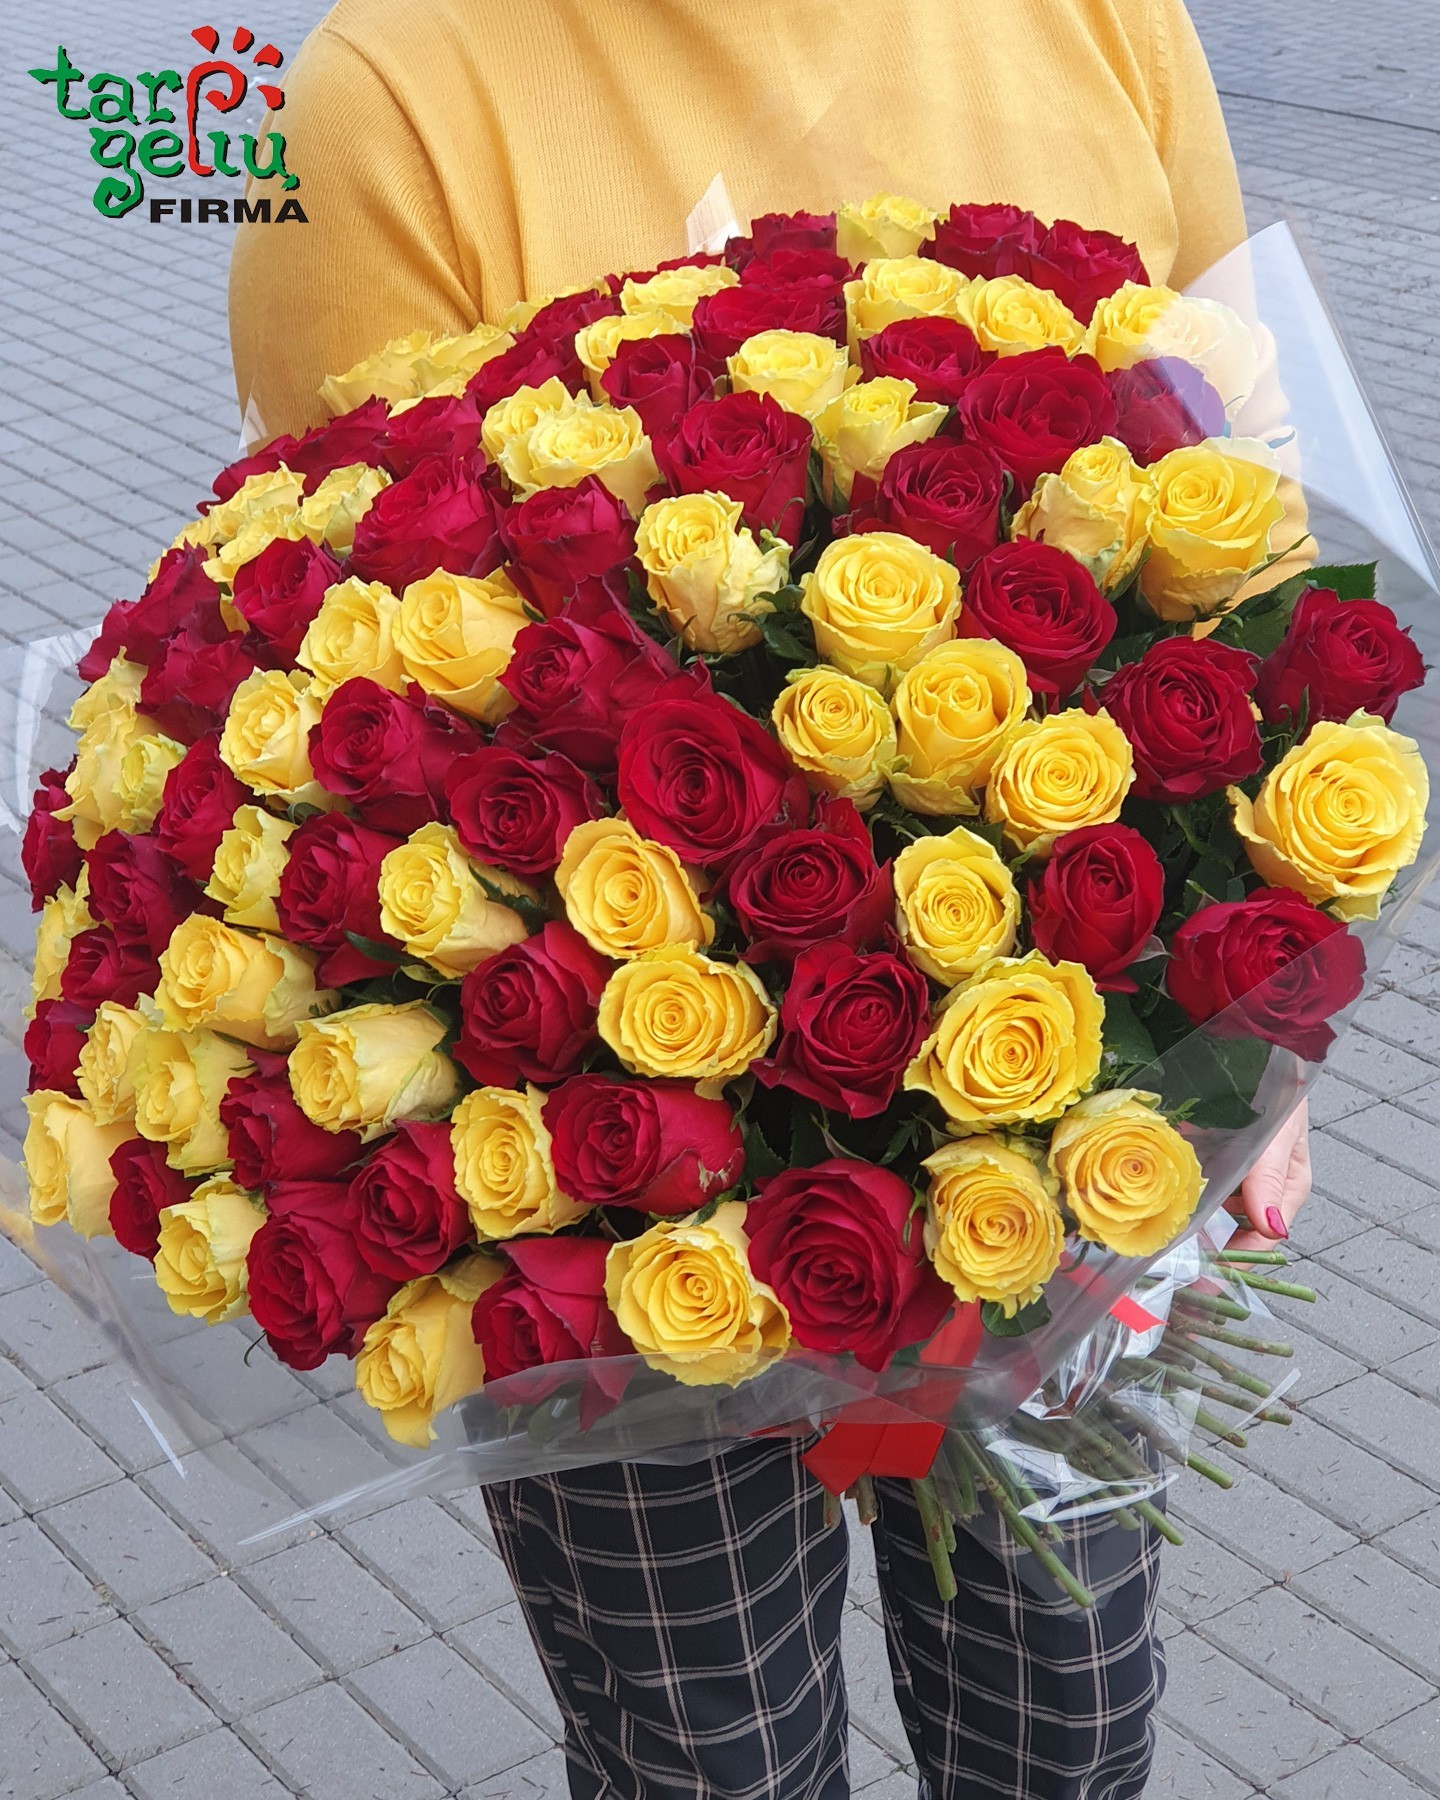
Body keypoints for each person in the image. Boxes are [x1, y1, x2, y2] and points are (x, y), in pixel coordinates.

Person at [229, 5, 1314, 1793]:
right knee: (709, 1755)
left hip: (1062, 1108)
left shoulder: (1101, 16)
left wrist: (1268, 1037)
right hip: (610, 1170)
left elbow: (1253, 503)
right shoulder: (398, 95)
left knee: (1066, 1716)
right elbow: (353, 685)